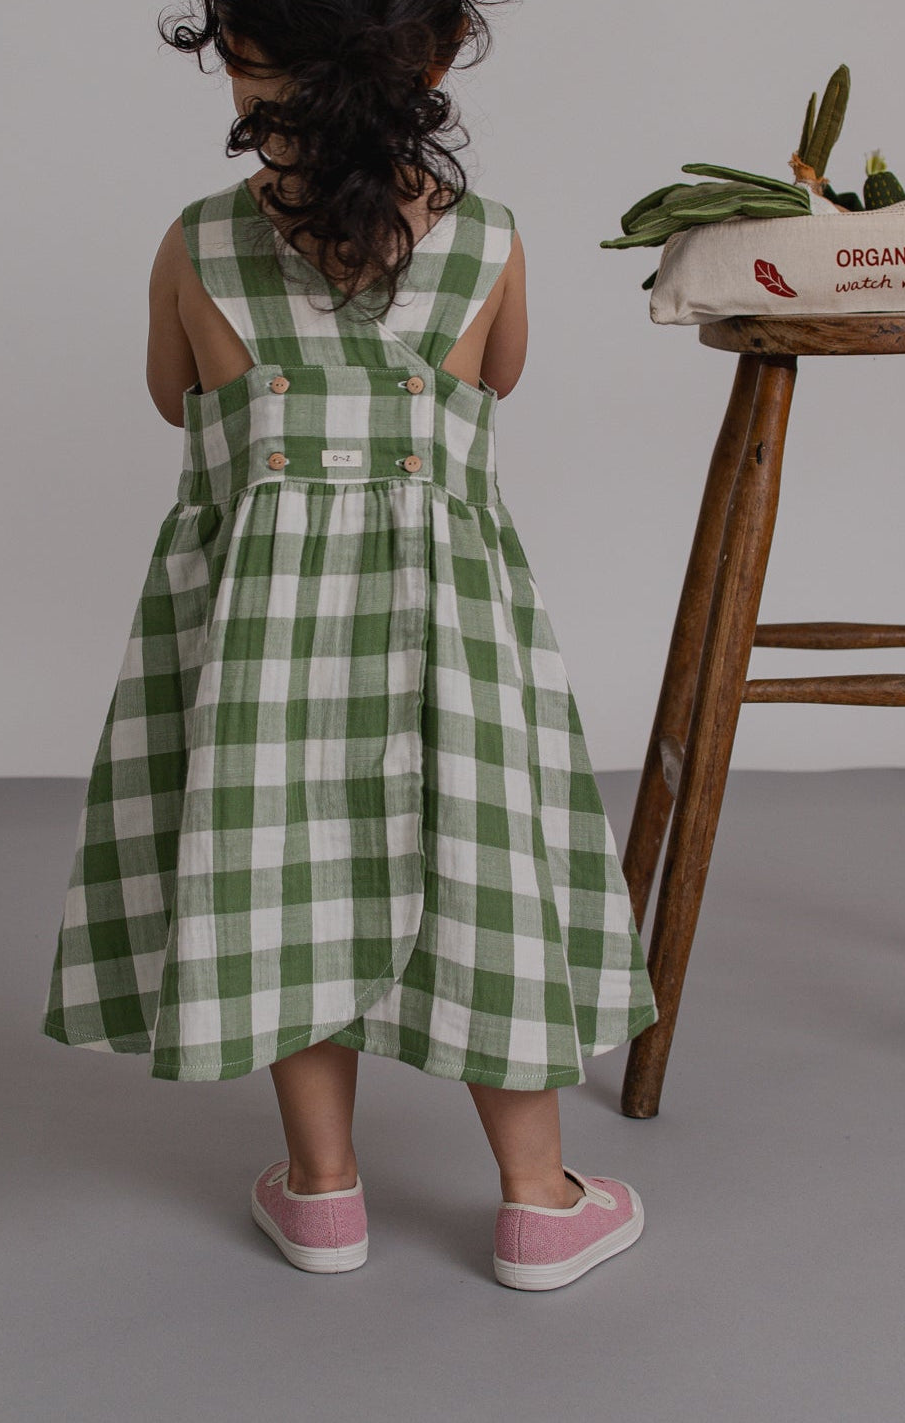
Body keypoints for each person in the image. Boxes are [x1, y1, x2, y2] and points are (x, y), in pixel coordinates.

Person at [40, 0, 659, 1291]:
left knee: (285, 880)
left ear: (238, 63)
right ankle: (539, 1201)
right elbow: (497, 378)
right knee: (483, 873)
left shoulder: (196, 243)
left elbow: (173, 397)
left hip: (260, 644)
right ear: (432, 60)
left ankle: (323, 1194)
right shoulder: (490, 240)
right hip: (447, 634)